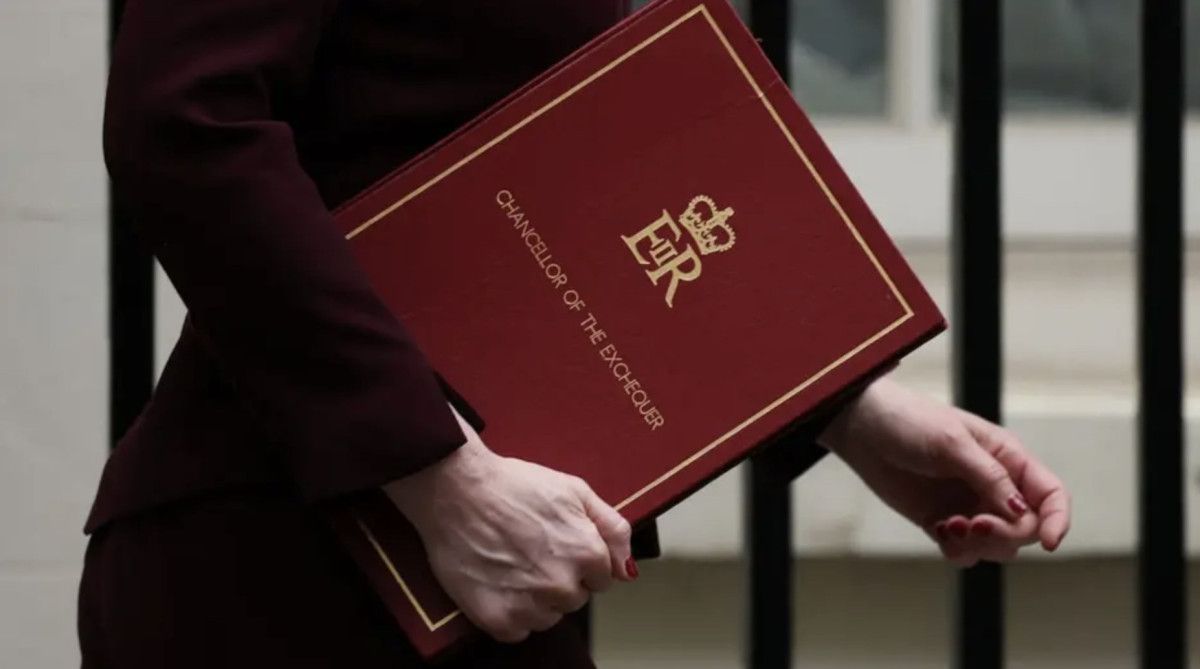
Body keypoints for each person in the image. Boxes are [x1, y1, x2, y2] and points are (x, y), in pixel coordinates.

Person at [79, 1, 1071, 668]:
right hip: (280, 574)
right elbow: (185, 121)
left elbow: (560, 187)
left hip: (488, 575)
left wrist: (845, 409)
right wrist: (434, 472)